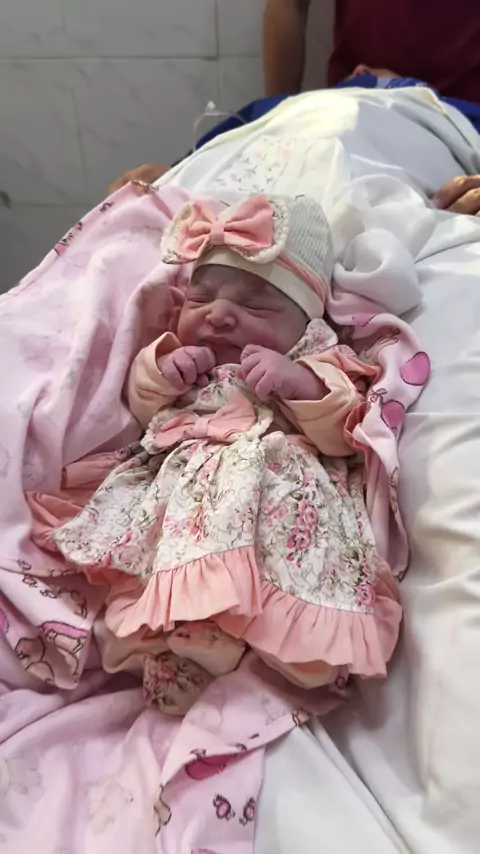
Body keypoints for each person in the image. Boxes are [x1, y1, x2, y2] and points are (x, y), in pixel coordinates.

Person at [49, 191, 411, 707]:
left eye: (253, 305)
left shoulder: (316, 357)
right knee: (146, 574)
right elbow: (145, 409)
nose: (218, 315)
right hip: (185, 483)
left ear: (307, 323)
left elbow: (346, 429)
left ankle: (275, 650)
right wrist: (162, 373)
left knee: (293, 572)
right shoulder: (185, 356)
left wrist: (301, 385)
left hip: (274, 482)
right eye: (200, 300)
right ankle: (170, 646)